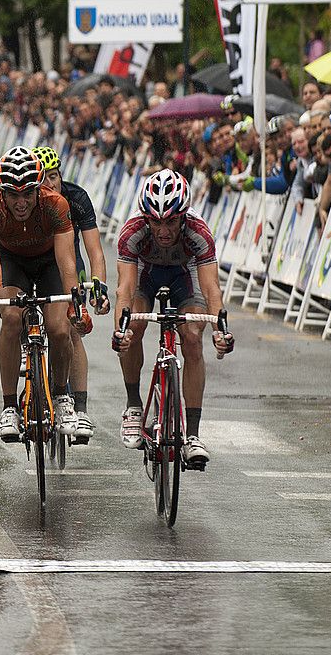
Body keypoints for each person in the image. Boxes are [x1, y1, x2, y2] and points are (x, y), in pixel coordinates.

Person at [112, 169, 234, 466]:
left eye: (171, 222)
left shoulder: (198, 232)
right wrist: (121, 331)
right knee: (134, 325)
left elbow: (210, 287)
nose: (164, 230)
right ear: (146, 218)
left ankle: (192, 434)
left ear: (183, 218)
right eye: (156, 222)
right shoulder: (132, 232)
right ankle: (133, 405)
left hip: (185, 275)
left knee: (192, 338)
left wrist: (220, 329)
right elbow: (125, 289)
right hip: (146, 274)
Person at [0, 147, 86, 442]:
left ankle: (61, 397)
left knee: (60, 329)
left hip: (49, 262)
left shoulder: (55, 205)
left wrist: (75, 303)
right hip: (12, 262)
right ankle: (9, 406)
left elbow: (66, 262)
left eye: (27, 194)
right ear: (2, 193)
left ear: (38, 190)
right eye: (13, 195)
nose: (21, 203)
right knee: (10, 317)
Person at [34, 145, 110, 443]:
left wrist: (98, 286)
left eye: (53, 177)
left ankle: (79, 408)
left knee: (70, 330)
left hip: (67, 262)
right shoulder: (26, 200)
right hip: (32, 260)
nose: (48, 184)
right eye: (42, 179)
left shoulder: (76, 198)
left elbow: (94, 250)